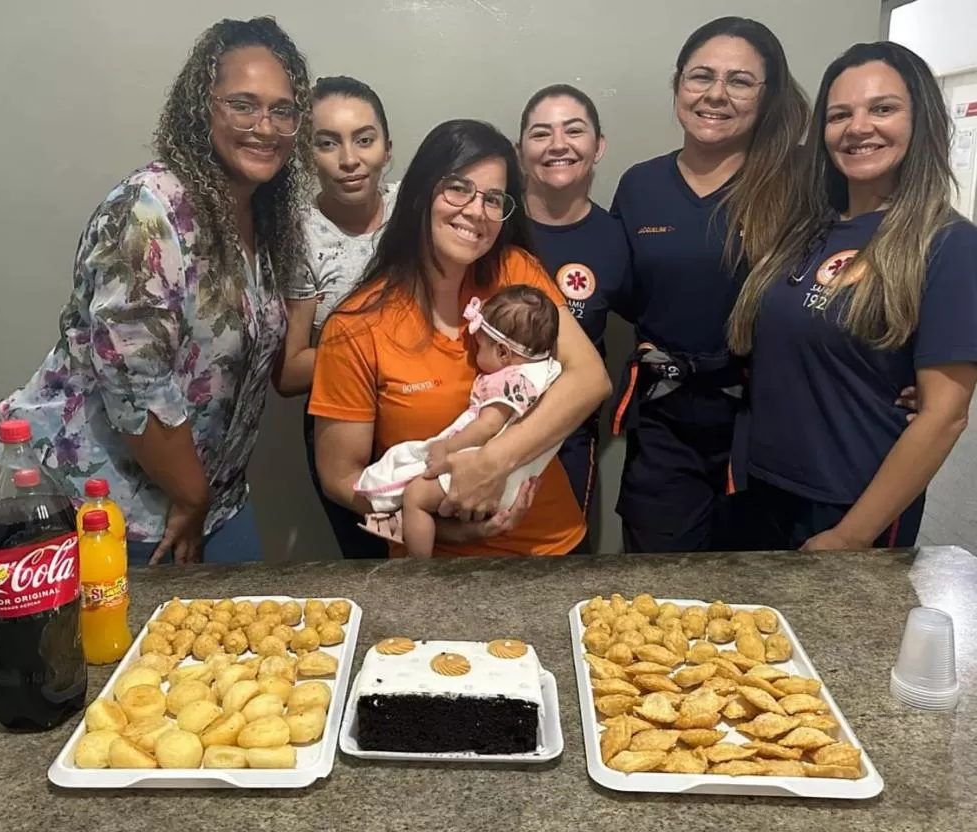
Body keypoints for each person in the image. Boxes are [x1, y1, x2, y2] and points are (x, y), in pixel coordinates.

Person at [0, 17, 315, 564]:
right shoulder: (149, 209)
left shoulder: (267, 215)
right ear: (201, 108)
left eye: (283, 110)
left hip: (214, 500)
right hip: (115, 504)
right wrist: (190, 495)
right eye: (243, 104)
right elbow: (136, 381)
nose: (266, 126)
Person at [309, 118, 611, 557]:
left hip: (553, 547)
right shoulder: (355, 327)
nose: (476, 211)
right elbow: (341, 482)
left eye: (493, 199)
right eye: (458, 188)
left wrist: (493, 462)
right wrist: (449, 532)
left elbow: (590, 379)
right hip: (438, 567)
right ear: (420, 194)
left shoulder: (515, 274)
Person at [726, 41, 977, 551]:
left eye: (882, 109)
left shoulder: (950, 244)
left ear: (921, 119)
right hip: (762, 488)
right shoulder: (807, 230)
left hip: (849, 508)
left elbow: (945, 415)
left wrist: (851, 535)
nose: (858, 127)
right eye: (840, 114)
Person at [609, 16, 810, 553]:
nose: (715, 94)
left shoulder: (799, 190)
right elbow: (622, 293)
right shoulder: (640, 185)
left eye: (740, 81)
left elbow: (843, 290)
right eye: (701, 76)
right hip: (665, 424)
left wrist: (890, 374)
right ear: (678, 84)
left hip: (765, 422)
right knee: (655, 593)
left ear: (767, 97)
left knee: (755, 598)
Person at [274, 75, 398, 559]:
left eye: (364, 140)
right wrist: (371, 344)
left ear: (387, 148)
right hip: (346, 433)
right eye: (328, 143)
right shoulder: (302, 236)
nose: (349, 160)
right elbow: (288, 371)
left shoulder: (416, 207)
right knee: (378, 567)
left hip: (428, 416)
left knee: (445, 568)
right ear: (308, 155)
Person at [355, 286, 562, 558]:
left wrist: (448, 448)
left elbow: (488, 426)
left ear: (503, 353)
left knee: (416, 497)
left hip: (487, 473)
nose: (476, 355)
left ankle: (418, 568)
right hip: (510, 484)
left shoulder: (510, 381)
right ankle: (405, 523)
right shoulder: (545, 369)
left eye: (480, 347)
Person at [517, 84, 633, 526]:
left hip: (568, 435)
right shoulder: (490, 226)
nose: (558, 145)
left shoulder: (617, 238)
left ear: (598, 146)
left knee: (559, 563)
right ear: (520, 149)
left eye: (574, 131)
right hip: (482, 424)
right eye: (541, 133)